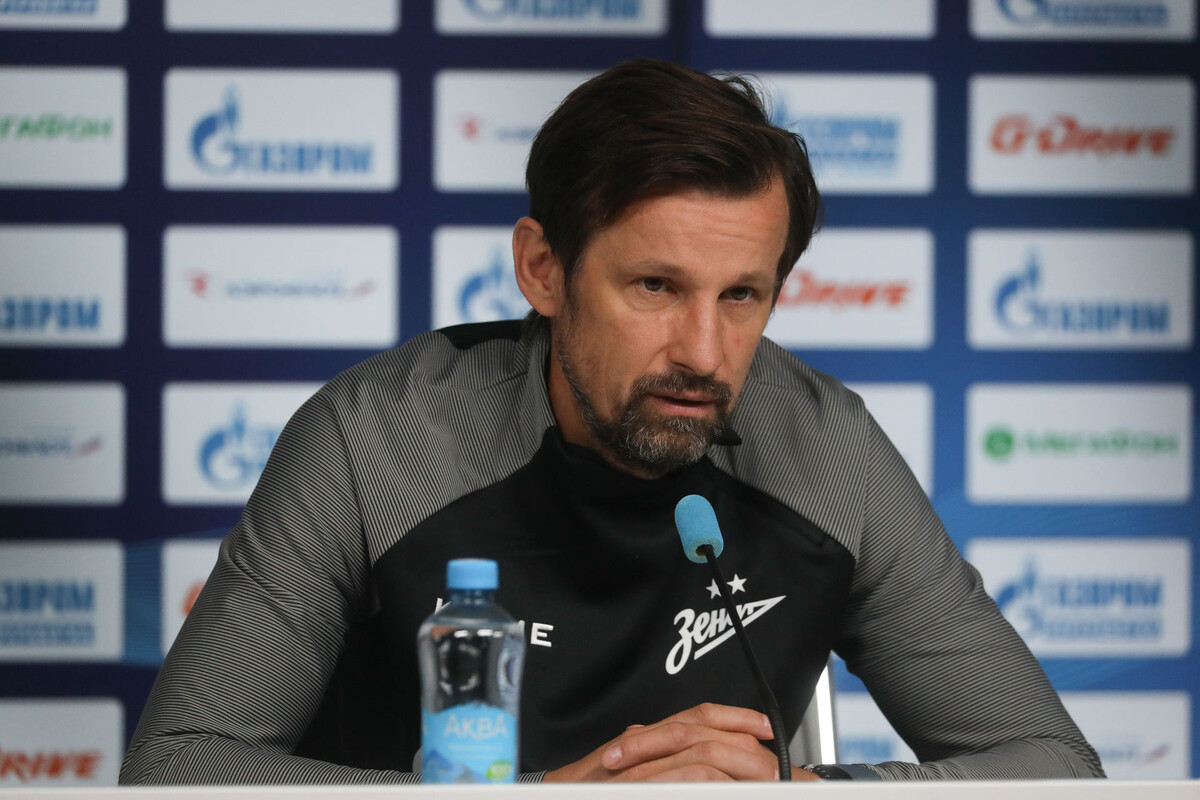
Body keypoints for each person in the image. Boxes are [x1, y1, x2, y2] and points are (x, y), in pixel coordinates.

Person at [121, 59, 1103, 784]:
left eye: (742, 295)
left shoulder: (828, 450)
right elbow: (178, 766)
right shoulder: (376, 442)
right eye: (655, 287)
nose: (704, 353)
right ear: (543, 269)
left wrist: (804, 791)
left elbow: (1052, 765)